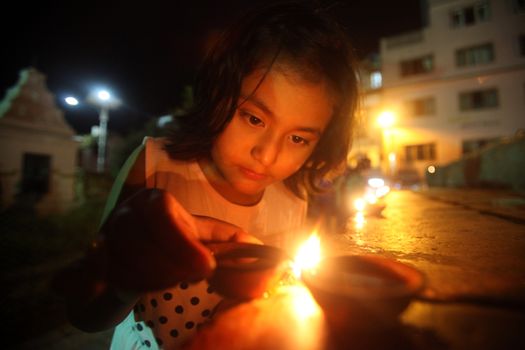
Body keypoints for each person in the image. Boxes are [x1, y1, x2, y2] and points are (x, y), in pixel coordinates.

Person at [54, 1, 359, 348]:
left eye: (298, 138)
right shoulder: (156, 166)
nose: (267, 154)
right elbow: (85, 316)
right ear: (219, 93)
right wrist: (124, 283)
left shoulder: (292, 198)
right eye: (254, 118)